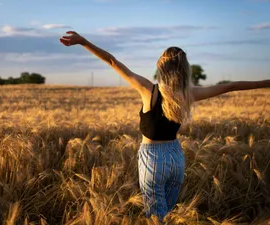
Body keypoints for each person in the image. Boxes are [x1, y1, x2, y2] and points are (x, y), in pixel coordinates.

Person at [59, 31, 270, 221]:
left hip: (152, 157)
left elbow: (113, 62)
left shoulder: (149, 90)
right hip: (177, 156)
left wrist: (83, 41)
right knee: (169, 214)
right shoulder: (189, 95)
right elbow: (231, 86)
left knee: (156, 218)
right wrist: (265, 83)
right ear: (185, 69)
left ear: (161, 67)